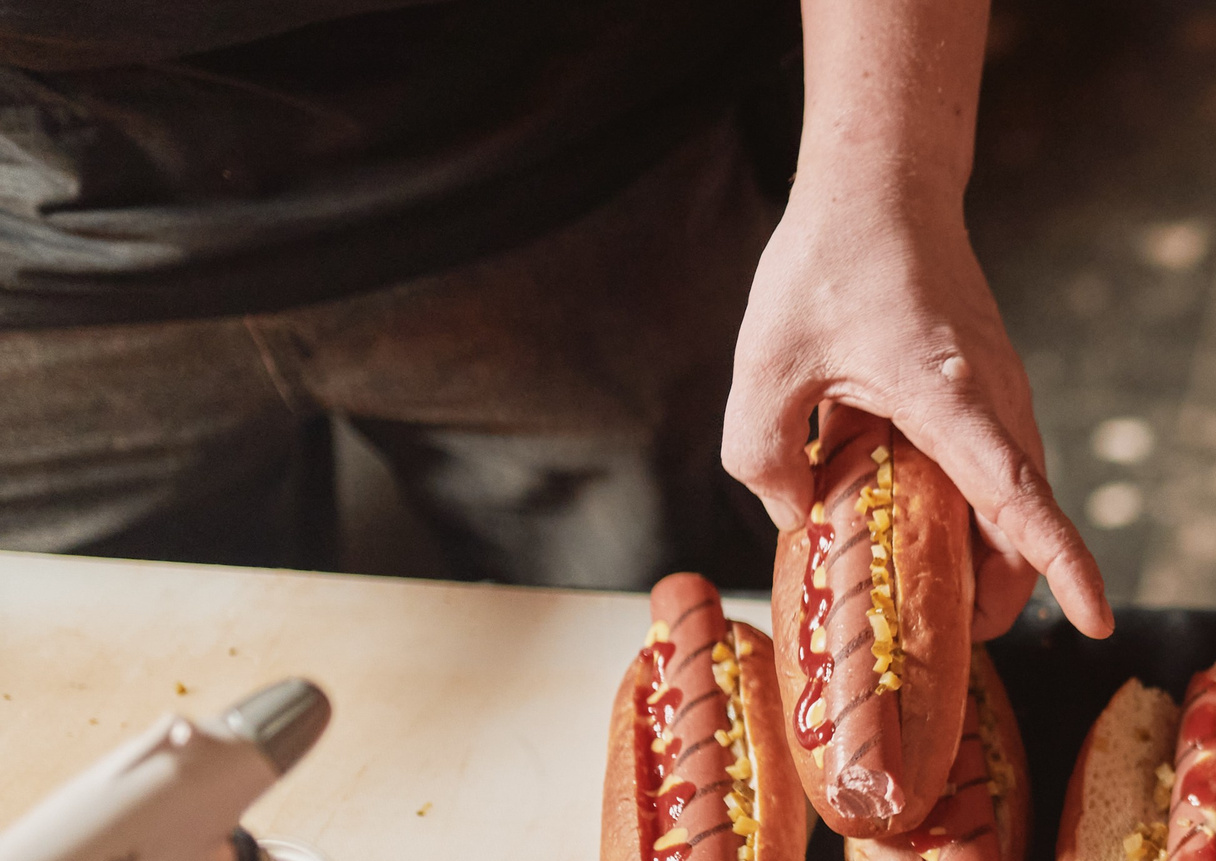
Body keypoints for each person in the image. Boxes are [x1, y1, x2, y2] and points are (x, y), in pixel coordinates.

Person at [0, 0, 1113, 644]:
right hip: (28, 291)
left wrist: (888, 188)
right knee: (117, 772)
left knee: (678, 623)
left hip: (581, 172)